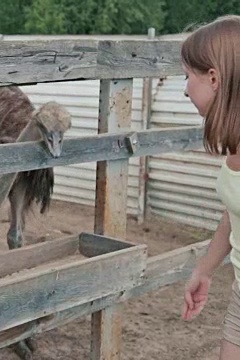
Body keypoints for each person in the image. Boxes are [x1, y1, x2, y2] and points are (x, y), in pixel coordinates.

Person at [181, 14, 240, 360]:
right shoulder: (235, 148)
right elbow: (234, 213)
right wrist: (204, 269)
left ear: (214, 78)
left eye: (188, 76)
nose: (185, 88)